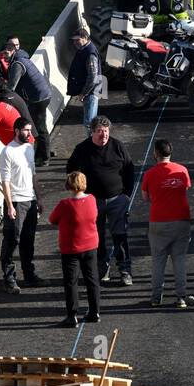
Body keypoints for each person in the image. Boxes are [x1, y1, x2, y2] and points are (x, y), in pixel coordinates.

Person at [66, 117, 134, 286]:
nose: (103, 135)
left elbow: (129, 169)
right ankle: (102, 269)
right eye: (100, 131)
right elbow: (71, 172)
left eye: (106, 131)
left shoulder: (117, 146)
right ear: (92, 132)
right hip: (92, 202)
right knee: (97, 237)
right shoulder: (81, 149)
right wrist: (79, 195)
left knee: (120, 236)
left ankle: (124, 270)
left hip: (117, 199)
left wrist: (126, 195)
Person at [140, 139, 194, 309]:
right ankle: (181, 297)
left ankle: (156, 297)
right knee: (179, 259)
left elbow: (145, 197)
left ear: (155, 153)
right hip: (181, 220)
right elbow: (185, 188)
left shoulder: (149, 174)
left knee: (158, 260)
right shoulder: (182, 170)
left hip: (159, 221)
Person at [49, 172, 100, 328]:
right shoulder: (91, 199)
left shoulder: (65, 204)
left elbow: (52, 219)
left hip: (71, 248)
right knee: (92, 279)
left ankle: (72, 315)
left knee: (71, 282)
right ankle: (94, 311)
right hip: (90, 245)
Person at [0, 119, 44, 291]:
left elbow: (33, 175)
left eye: (30, 130)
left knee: (28, 240)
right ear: (16, 131)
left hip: (30, 201)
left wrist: (38, 198)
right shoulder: (7, 152)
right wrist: (9, 205)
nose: (30, 134)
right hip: (16, 202)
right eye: (26, 130)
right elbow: (5, 181)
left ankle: (29, 274)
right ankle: (9, 278)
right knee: (12, 240)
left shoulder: (29, 148)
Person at [1, 39, 54, 166]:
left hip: (38, 98)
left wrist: (2, 93)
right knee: (40, 125)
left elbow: (11, 87)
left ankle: (45, 157)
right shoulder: (22, 57)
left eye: (7, 53)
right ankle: (45, 151)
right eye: (4, 53)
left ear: (13, 50)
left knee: (39, 128)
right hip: (44, 94)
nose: (5, 56)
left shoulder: (17, 64)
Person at [67, 28, 104, 133]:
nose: (74, 43)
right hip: (91, 91)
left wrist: (83, 93)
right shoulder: (84, 49)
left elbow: (93, 77)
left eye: (77, 40)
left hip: (91, 92)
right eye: (73, 40)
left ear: (85, 38)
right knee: (90, 122)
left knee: (90, 123)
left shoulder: (90, 53)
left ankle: (93, 146)